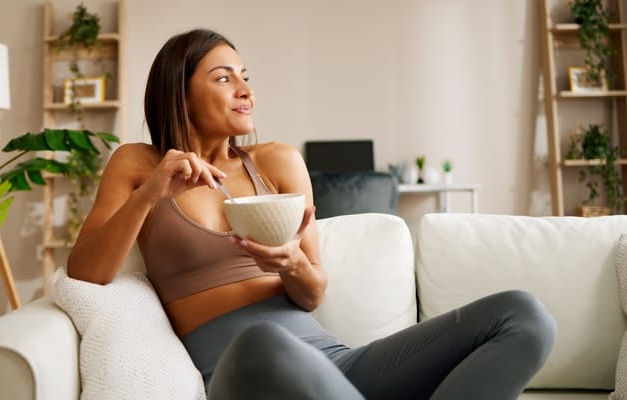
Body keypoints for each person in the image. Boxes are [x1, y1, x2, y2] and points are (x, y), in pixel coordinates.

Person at [67, 28, 556, 400]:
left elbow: (313, 292)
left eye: (246, 77)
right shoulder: (138, 164)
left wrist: (291, 264)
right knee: (263, 342)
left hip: (334, 366)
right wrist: (150, 193)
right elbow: (86, 272)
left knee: (524, 315)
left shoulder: (277, 162)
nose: (245, 89)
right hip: (248, 369)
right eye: (223, 77)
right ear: (180, 91)